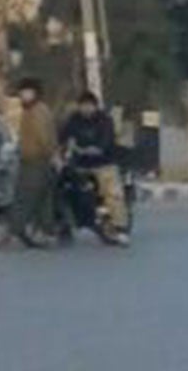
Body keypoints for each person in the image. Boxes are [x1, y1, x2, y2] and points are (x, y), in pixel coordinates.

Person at [59, 90, 129, 242]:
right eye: (83, 106)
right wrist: (60, 150)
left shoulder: (104, 120)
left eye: (89, 106)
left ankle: (120, 228)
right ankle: (63, 224)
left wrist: (97, 149)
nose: (86, 109)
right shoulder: (73, 119)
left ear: (95, 106)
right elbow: (62, 136)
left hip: (103, 163)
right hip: (80, 164)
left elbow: (106, 139)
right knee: (61, 187)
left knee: (113, 193)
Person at [11, 79, 58, 246]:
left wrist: (49, 154)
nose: (22, 95)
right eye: (21, 92)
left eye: (26, 92)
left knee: (25, 197)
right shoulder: (34, 110)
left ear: (34, 93)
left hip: (35, 160)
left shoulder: (37, 112)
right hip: (39, 160)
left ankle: (16, 232)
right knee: (43, 199)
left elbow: (44, 137)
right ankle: (47, 232)